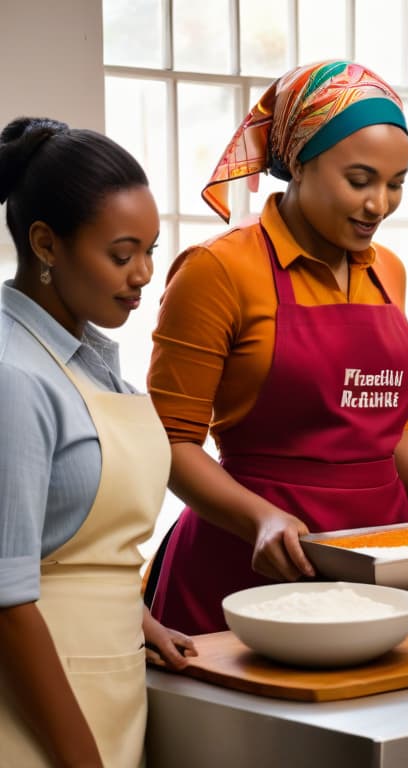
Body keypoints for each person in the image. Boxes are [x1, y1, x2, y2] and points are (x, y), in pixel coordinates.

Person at [147, 60, 408, 637]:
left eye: (396, 183)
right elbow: (170, 442)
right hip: (248, 560)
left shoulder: (388, 270)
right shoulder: (218, 270)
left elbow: (382, 419)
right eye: (359, 180)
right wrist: (259, 519)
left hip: (377, 557)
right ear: (299, 164)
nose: (379, 205)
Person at [0, 117, 195, 768]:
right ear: (46, 245)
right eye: (121, 253)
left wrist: (139, 621)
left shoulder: (92, 362)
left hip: (109, 682)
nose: (142, 274)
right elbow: (6, 598)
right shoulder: (13, 376)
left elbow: (80, 541)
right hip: (38, 709)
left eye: (150, 249)